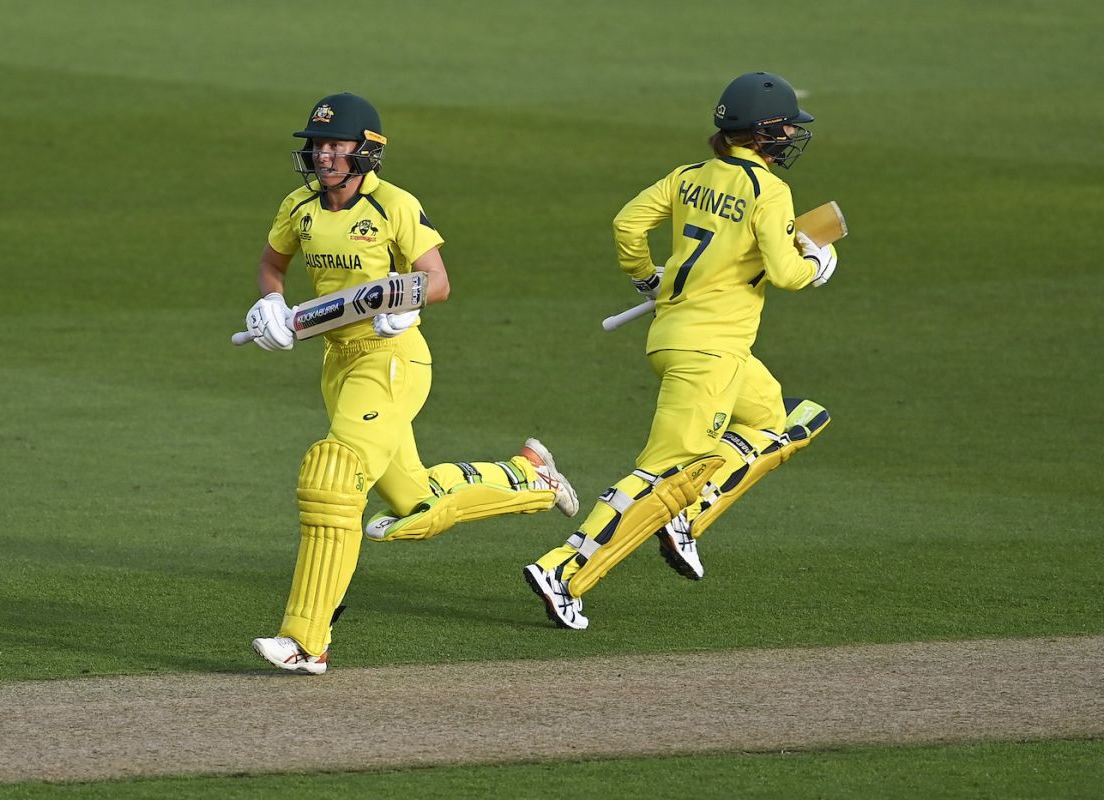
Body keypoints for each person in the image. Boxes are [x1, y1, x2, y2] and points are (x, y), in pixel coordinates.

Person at [243, 93, 579, 673]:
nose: (324, 156)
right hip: (339, 363)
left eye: (335, 145)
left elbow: (438, 281)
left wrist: (406, 301)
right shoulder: (298, 206)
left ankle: (306, 640)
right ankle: (530, 478)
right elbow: (273, 265)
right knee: (413, 502)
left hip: (393, 359)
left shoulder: (395, 205)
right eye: (318, 145)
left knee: (334, 477)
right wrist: (271, 304)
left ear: (366, 152)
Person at [523, 72, 836, 629]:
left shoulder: (689, 176)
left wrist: (646, 278)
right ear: (762, 133)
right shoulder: (770, 191)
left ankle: (687, 514)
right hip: (710, 353)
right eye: (785, 125)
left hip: (679, 338)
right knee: (661, 471)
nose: (791, 133)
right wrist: (816, 263)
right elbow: (787, 274)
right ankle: (564, 570)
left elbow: (628, 223)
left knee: (773, 422)